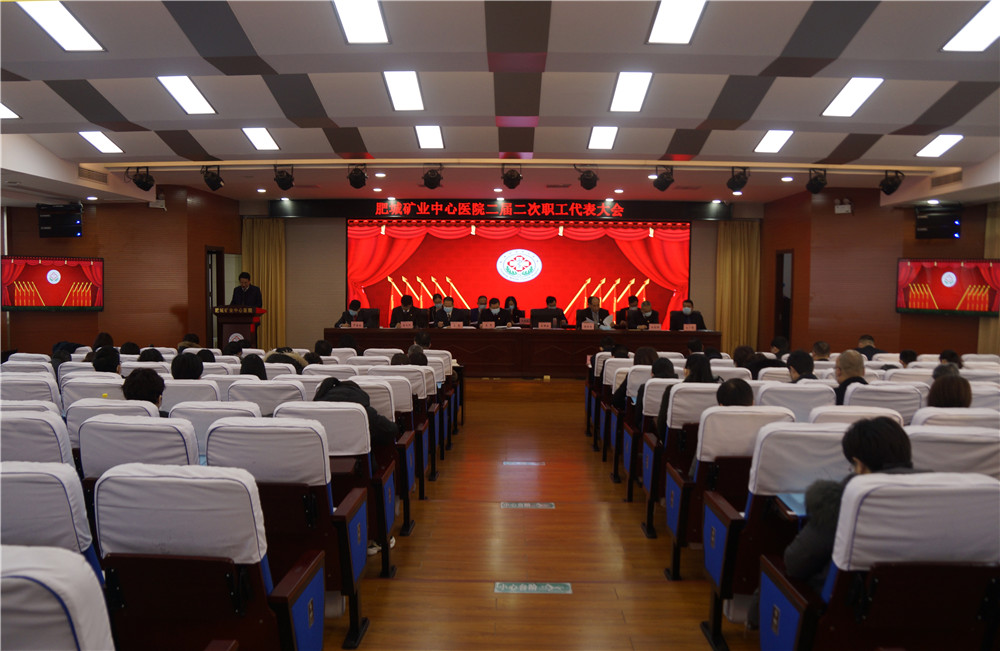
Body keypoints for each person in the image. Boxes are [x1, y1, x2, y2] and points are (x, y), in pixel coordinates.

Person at [783, 417, 916, 594]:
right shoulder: (935, 494)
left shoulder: (843, 501)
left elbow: (795, 562)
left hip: (851, 602)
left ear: (859, 465)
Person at [656, 354, 716, 439]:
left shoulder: (673, 390)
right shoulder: (718, 391)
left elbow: (662, 424)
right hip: (709, 442)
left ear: (686, 371)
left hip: (676, 443)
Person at [633, 357, 678, 429]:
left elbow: (637, 419)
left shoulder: (645, 387)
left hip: (648, 429)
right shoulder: (678, 388)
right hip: (672, 429)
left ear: (652, 374)